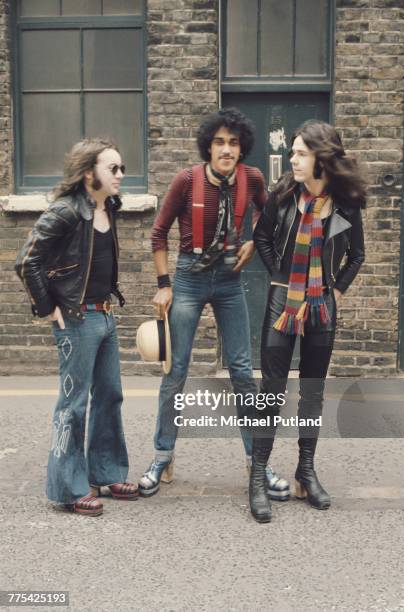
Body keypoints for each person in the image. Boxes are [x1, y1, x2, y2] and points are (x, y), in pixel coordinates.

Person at [138, 108, 289, 500]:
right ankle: (161, 456)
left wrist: (254, 240)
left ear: (242, 148)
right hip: (188, 278)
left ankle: (259, 461)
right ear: (208, 145)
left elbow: (268, 214)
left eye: (233, 143)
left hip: (228, 280)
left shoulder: (251, 178)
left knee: (242, 370)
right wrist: (164, 284)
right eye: (219, 142)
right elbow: (158, 233)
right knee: (177, 371)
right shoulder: (186, 180)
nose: (226, 149)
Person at [15, 138, 139, 516]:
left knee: (110, 397)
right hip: (76, 318)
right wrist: (48, 306)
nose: (120, 175)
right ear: (89, 174)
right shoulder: (66, 211)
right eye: (112, 169)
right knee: (72, 407)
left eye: (121, 168)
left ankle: (106, 471)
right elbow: (26, 262)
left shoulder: (108, 207)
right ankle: (68, 488)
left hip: (103, 315)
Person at [250, 119, 366, 522]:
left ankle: (306, 471)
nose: (293, 159)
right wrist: (279, 276)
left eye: (300, 153)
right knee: (272, 392)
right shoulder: (282, 196)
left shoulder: (345, 204)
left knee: (313, 394)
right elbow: (263, 237)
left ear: (321, 158)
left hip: (322, 308)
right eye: (293, 152)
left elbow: (357, 255)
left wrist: (335, 291)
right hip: (282, 304)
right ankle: (256, 479)